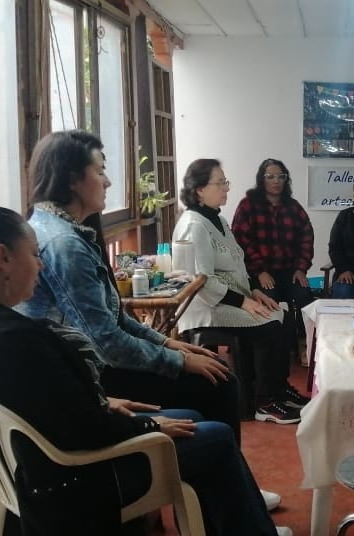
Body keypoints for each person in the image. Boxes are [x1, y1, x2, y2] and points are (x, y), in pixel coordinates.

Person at [0, 207, 292, 536]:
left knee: (191, 418)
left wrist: (108, 403)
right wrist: (148, 426)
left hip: (23, 470)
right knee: (215, 435)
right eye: (34, 255)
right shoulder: (20, 339)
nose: (39, 265)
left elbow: (35, 408)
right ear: (2, 257)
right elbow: (83, 431)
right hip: (72, 479)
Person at [17, 131, 282, 510]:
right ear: (72, 179)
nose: (108, 181)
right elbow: (105, 343)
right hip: (93, 377)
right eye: (101, 170)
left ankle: (228, 490)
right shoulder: (64, 244)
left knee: (215, 376)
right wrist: (178, 360)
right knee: (218, 381)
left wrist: (169, 343)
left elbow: (114, 316)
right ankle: (231, 496)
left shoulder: (64, 230)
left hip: (88, 368)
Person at [172, 158, 310, 424]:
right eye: (220, 182)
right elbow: (202, 281)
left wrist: (254, 291)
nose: (226, 188)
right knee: (270, 324)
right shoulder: (194, 224)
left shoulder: (218, 220)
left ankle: (278, 390)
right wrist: (244, 302)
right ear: (200, 189)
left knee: (281, 314)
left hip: (230, 299)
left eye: (226, 182)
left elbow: (237, 264)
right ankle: (265, 402)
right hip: (207, 307)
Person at [232, 158, 314, 310]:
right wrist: (260, 271)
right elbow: (241, 242)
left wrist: (301, 269)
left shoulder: (294, 207)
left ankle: (303, 334)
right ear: (261, 180)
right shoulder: (248, 205)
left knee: (304, 296)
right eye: (270, 177)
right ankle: (276, 333)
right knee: (269, 299)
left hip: (290, 271)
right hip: (259, 273)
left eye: (281, 177)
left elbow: (307, 240)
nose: (276, 181)